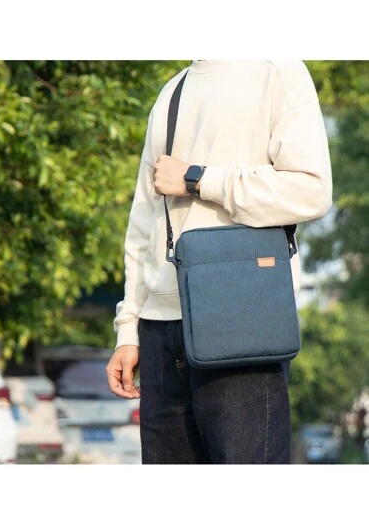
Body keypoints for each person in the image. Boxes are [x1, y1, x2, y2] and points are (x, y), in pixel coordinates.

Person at [106, 60, 333, 464]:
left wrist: (198, 179)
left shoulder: (276, 69)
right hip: (160, 334)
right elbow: (144, 223)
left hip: (239, 317)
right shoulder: (172, 91)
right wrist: (128, 328)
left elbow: (310, 190)